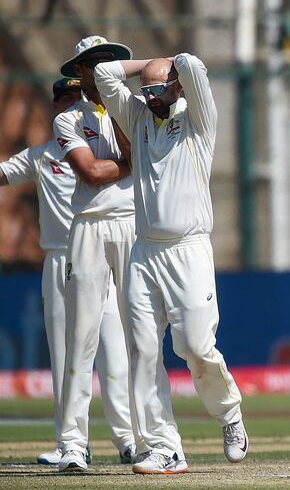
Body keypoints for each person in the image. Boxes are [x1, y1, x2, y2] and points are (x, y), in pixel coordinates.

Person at [95, 53, 247, 474]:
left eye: (156, 90)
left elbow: (196, 68)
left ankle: (229, 416)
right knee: (142, 350)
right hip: (144, 252)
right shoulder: (139, 118)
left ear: (176, 87)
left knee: (196, 347)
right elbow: (105, 74)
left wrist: (173, 63)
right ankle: (163, 446)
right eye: (143, 91)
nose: (148, 98)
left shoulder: (198, 122)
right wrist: (148, 68)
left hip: (189, 250)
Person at [0, 78, 135, 466]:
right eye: (64, 100)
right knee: (66, 353)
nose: (71, 107)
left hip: (100, 252)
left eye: (77, 100)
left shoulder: (108, 151)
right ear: (56, 107)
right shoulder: (42, 155)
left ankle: (128, 438)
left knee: (114, 349)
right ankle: (71, 443)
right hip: (59, 259)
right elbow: (5, 173)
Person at [53, 36, 139, 473]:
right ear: (81, 70)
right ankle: (73, 442)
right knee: (81, 337)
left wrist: (119, 110)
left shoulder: (131, 107)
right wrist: (131, 161)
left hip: (131, 225)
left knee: (139, 333)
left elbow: (134, 150)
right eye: (95, 63)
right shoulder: (68, 119)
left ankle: (144, 439)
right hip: (88, 227)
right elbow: (90, 172)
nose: (104, 68)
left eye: (110, 62)